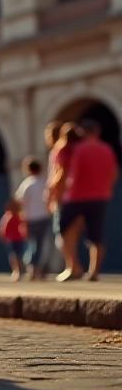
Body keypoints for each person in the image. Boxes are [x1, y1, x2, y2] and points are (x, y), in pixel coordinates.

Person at [51, 119, 118, 282]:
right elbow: (114, 173)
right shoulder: (107, 149)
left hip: (75, 196)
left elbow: (64, 172)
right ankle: (94, 272)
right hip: (100, 196)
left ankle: (73, 267)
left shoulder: (75, 149)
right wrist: (105, 188)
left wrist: (53, 192)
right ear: (97, 132)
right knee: (96, 235)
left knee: (64, 231)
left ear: (83, 131)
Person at [14, 157, 52, 280]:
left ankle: (32, 267)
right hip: (43, 217)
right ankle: (36, 268)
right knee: (40, 244)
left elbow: (21, 203)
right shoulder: (44, 182)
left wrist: (22, 219)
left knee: (31, 244)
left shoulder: (26, 184)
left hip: (30, 218)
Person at [0, 198, 27, 281]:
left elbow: (23, 227)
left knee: (18, 256)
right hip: (11, 240)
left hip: (19, 239)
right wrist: (3, 236)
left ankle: (19, 271)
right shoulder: (7, 217)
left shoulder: (19, 216)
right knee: (13, 256)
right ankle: (16, 270)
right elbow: (3, 229)